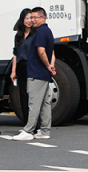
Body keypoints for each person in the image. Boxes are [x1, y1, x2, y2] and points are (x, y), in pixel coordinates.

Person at [13, 7, 55, 141]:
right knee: (45, 103)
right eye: (31, 17)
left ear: (43, 17)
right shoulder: (47, 31)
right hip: (43, 73)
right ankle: (44, 130)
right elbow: (51, 52)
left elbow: (41, 51)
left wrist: (47, 65)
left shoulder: (40, 32)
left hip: (36, 72)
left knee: (33, 102)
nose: (33, 20)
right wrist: (50, 66)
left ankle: (28, 130)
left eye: (35, 17)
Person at [11, 8, 34, 124]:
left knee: (33, 95)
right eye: (26, 18)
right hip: (21, 66)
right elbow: (15, 53)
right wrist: (13, 71)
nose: (29, 21)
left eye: (31, 18)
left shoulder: (35, 34)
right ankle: (26, 123)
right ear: (22, 20)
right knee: (23, 95)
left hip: (32, 66)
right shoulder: (18, 36)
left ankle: (35, 124)